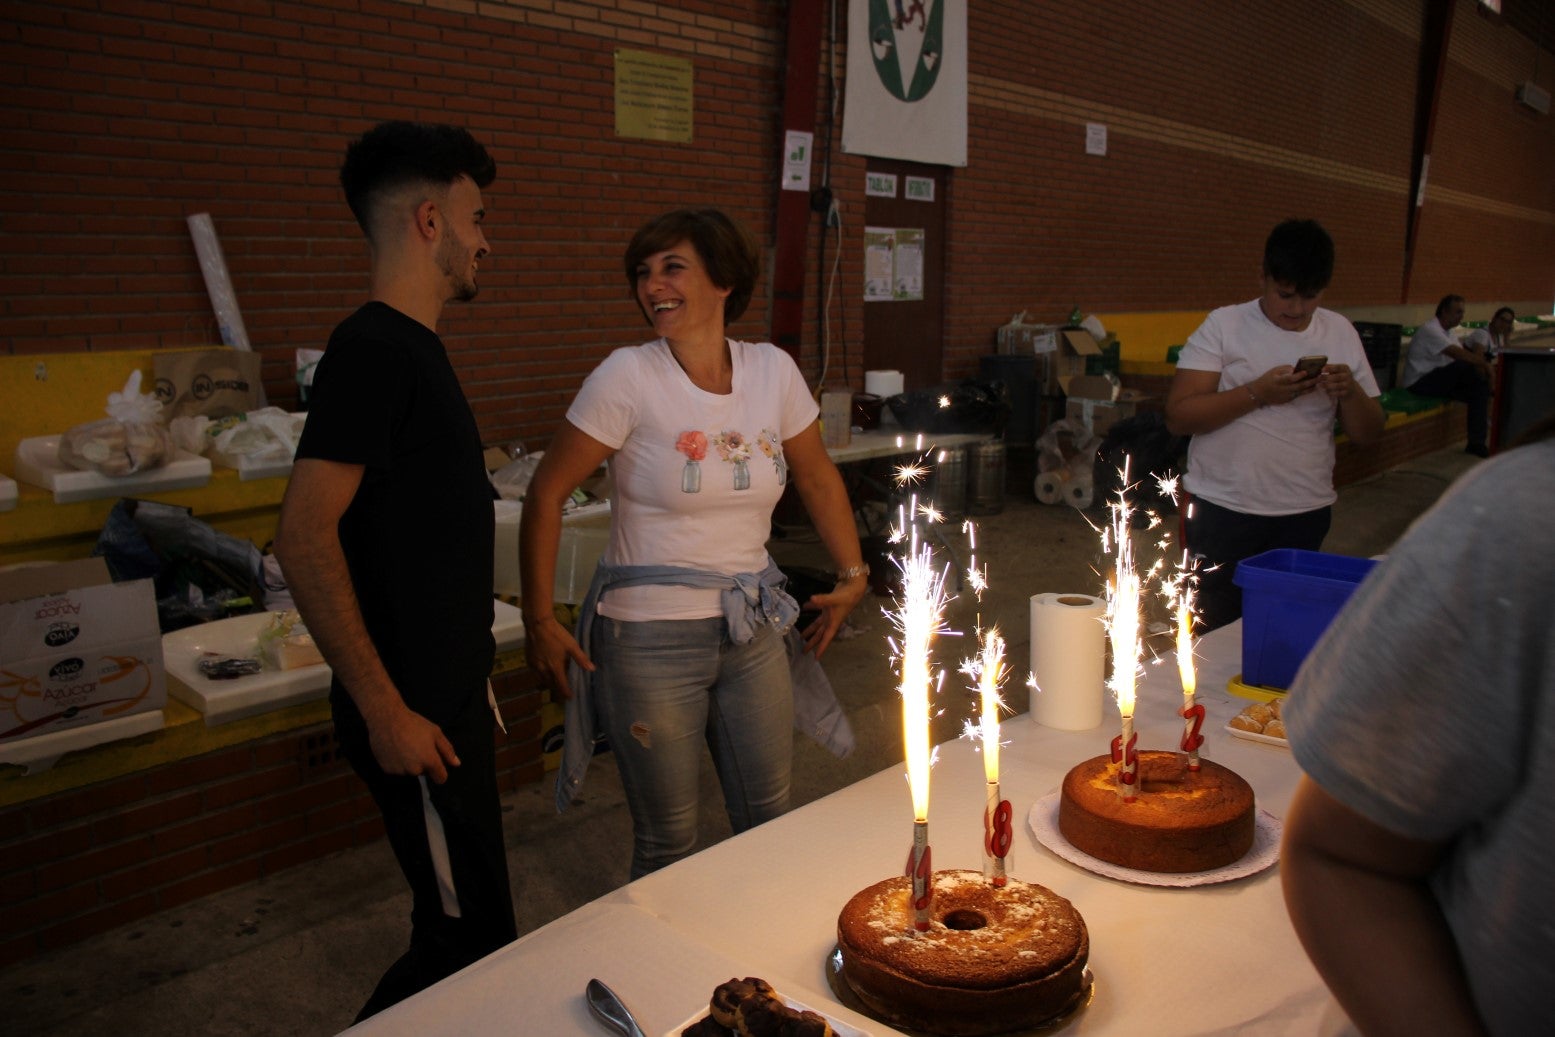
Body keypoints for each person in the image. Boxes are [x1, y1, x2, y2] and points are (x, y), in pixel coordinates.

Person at [520, 208, 868, 878]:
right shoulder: (627, 376)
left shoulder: (771, 370)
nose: (653, 285)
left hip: (752, 629)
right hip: (647, 640)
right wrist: (540, 619)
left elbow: (817, 474)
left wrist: (852, 573)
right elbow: (545, 493)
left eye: (671, 267)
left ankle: (756, 969)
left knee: (768, 819)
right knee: (668, 840)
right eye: (643, 273)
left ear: (723, 279)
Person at [272, 121, 516, 1020]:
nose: (486, 238)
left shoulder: (411, 348)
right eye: (476, 216)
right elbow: (302, 537)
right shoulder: (373, 351)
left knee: (477, 930)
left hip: (445, 704)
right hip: (415, 719)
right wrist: (385, 710)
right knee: (465, 942)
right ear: (428, 220)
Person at [1280, 416, 1555, 1037]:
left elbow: (1369, 426)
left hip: (1305, 500)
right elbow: (1341, 854)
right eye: (1288, 303)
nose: (1298, 308)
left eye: (1308, 304)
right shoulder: (1524, 522)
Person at [1164, 219, 1386, 631]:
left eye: (1310, 296)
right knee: (1210, 631)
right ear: (1262, 275)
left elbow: (1369, 434)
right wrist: (1257, 393)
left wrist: (1349, 392)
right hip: (1222, 511)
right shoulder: (1224, 325)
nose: (1297, 309)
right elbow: (1178, 415)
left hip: (1304, 512)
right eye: (1285, 294)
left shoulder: (1340, 332)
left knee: (1283, 631)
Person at [1402, 294, 1492, 456]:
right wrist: (1485, 365)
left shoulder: (1449, 333)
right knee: (1466, 366)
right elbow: (1458, 354)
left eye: (1462, 313)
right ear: (1444, 311)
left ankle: (1476, 443)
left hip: (1440, 381)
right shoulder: (1430, 330)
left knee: (1479, 389)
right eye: (1458, 312)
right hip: (1420, 382)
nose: (1461, 317)